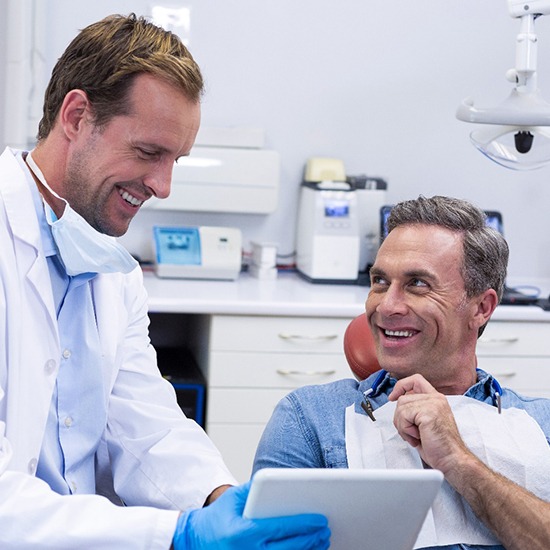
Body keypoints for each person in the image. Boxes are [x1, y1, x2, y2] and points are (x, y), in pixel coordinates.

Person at [0, 13, 330, 549]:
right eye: (149, 153)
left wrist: (224, 503)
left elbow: (147, 425)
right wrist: (177, 534)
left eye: (175, 159)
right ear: (77, 116)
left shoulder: (110, 267)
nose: (163, 185)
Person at [253, 195, 550, 550]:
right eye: (379, 281)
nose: (387, 305)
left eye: (418, 284)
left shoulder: (539, 423)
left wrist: (458, 460)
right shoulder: (312, 419)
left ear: (481, 307)